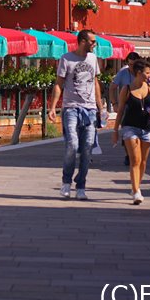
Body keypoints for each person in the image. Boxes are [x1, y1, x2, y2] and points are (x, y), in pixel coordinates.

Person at [48, 29, 102, 200]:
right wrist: (52, 108)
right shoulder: (66, 58)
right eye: (93, 41)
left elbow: (95, 82)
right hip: (70, 108)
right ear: (83, 41)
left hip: (90, 109)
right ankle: (66, 182)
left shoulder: (93, 59)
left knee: (87, 148)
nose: (95, 44)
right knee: (72, 144)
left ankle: (81, 185)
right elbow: (59, 84)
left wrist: (101, 107)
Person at [111, 59, 150, 204]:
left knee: (143, 161)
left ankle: (136, 185)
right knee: (135, 160)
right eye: (147, 73)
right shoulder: (127, 89)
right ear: (139, 73)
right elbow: (121, 111)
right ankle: (136, 191)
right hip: (130, 127)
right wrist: (115, 130)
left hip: (147, 127)